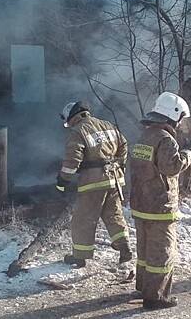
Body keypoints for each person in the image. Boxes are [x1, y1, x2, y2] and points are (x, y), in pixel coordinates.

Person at [129, 92, 191, 310]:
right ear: (174, 115)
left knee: (144, 251)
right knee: (161, 253)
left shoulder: (144, 136)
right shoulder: (165, 139)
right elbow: (171, 167)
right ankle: (156, 296)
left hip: (141, 205)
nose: (181, 124)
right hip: (160, 207)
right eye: (181, 119)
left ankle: (144, 286)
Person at [56, 100, 132, 268]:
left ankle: (80, 257)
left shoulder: (78, 131)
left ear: (71, 117)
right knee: (113, 213)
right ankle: (124, 246)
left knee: (83, 219)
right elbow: (124, 144)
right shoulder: (107, 125)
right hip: (114, 179)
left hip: (93, 183)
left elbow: (72, 159)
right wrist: (118, 164)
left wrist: (63, 180)